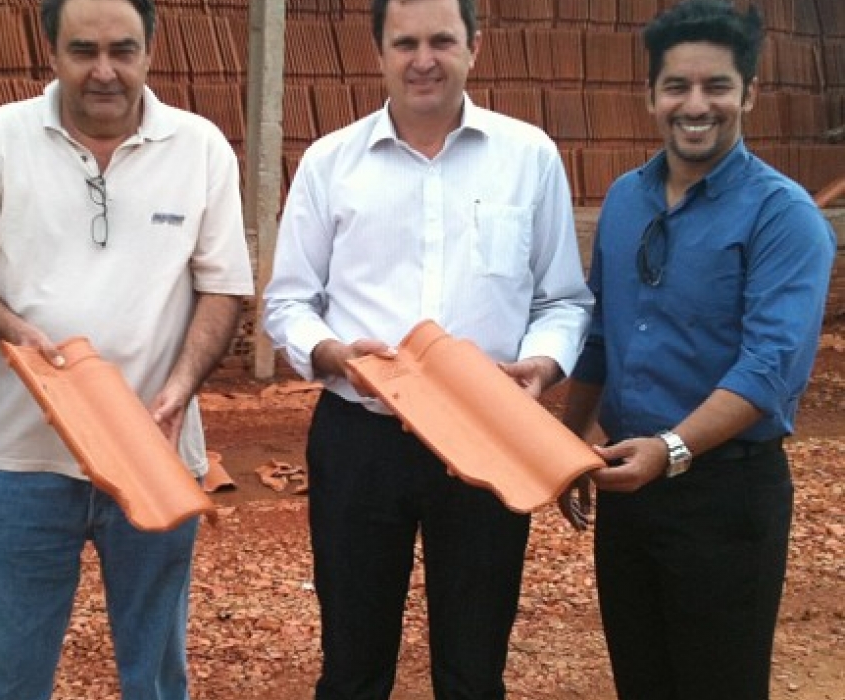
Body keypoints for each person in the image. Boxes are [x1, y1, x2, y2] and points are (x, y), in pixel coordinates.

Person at [262, 0, 593, 696]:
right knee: (352, 665)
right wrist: (333, 354)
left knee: (474, 667)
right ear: (379, 51)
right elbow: (288, 303)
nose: (423, 60)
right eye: (405, 42)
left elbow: (562, 299)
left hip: (489, 432)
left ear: (475, 45)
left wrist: (541, 364)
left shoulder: (528, 157)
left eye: (442, 40)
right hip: (361, 436)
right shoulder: (330, 163)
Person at [0, 0, 254, 696]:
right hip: (22, 458)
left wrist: (181, 387)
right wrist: (14, 332)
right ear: (52, 52)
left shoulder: (200, 148)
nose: (104, 70)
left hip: (155, 448)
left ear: (150, 51)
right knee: (8, 676)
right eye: (84, 51)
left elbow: (223, 288)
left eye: (122, 50)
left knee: (155, 675)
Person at [556, 2, 837, 699]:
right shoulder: (626, 200)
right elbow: (600, 335)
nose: (696, 104)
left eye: (717, 86)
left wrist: (671, 450)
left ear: (749, 93)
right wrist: (565, 446)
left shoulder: (783, 216)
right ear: (651, 95)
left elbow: (769, 368)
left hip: (725, 497)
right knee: (641, 680)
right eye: (677, 85)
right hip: (630, 490)